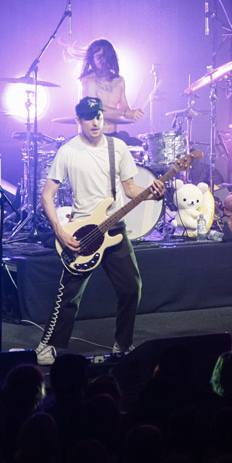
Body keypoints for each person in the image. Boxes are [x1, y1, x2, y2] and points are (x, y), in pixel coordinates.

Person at [34, 96, 166, 366]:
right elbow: (47, 195)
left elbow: (130, 189)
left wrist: (152, 194)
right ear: (78, 120)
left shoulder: (117, 147)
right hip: (83, 231)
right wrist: (59, 231)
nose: (95, 122)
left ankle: (123, 344)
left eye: (98, 116)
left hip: (114, 227)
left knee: (132, 287)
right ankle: (47, 346)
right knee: (69, 295)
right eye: (89, 117)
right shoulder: (68, 151)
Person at [79, 39, 144, 142]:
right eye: (99, 57)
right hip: (93, 137)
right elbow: (95, 110)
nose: (103, 60)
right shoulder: (88, 81)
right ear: (92, 59)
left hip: (113, 135)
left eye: (106, 56)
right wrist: (126, 113)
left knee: (140, 148)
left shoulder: (119, 80)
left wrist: (133, 113)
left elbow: (124, 107)